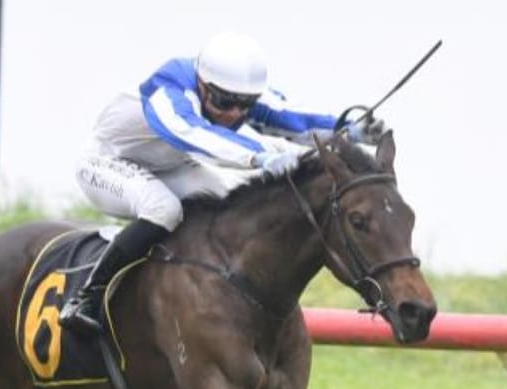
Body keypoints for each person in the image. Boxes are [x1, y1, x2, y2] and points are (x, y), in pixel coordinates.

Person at [61, 31, 387, 336]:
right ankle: (88, 296)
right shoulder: (169, 87)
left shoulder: (231, 91)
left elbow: (291, 118)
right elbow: (195, 134)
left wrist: (348, 130)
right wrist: (260, 156)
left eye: (244, 105)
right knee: (164, 208)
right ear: (203, 83)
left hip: (170, 167)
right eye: (224, 102)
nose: (234, 113)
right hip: (107, 164)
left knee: (227, 201)